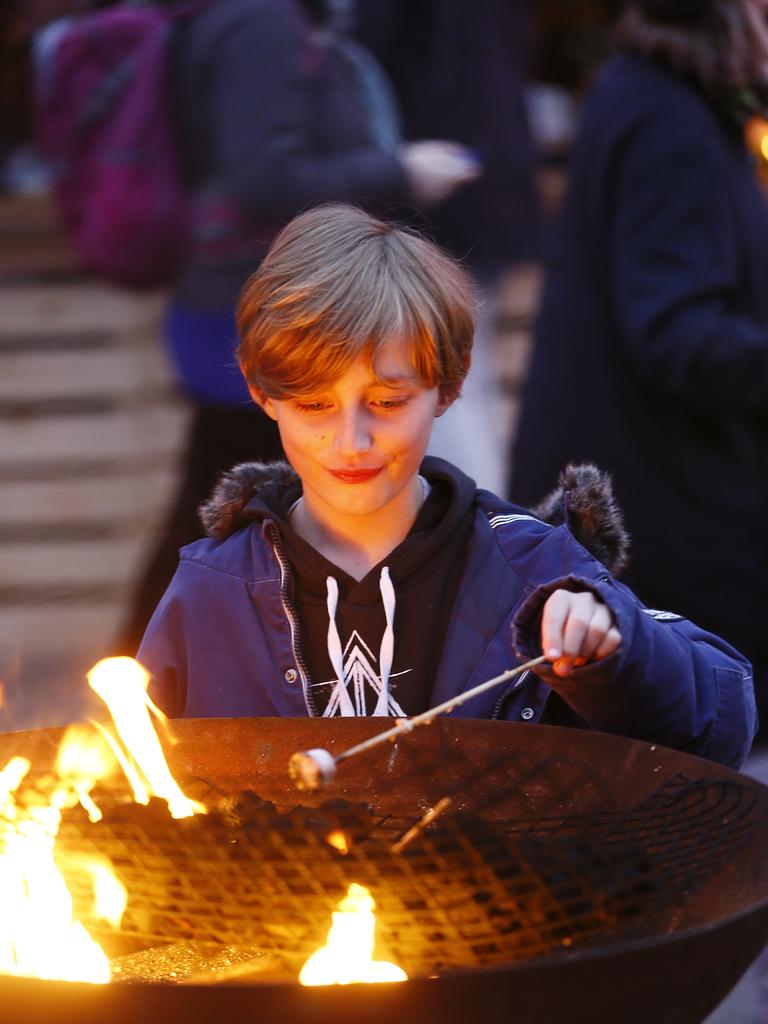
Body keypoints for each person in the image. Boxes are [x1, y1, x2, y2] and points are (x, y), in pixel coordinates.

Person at [137, 203, 756, 769]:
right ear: (261, 392)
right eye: (315, 404)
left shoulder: (534, 567)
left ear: (449, 385)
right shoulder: (211, 590)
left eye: (387, 400)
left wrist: (614, 651)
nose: (352, 440)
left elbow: (722, 720)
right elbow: (146, 785)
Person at [115, 0, 478, 654]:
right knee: (220, 518)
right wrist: (401, 172)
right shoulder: (260, 22)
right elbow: (264, 177)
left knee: (222, 510)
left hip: (283, 304)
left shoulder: (280, 21)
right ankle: (138, 691)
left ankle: (139, 684)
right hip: (278, 313)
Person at [509, 0, 768, 741]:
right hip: (658, 513)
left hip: (656, 499)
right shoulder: (668, 119)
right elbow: (677, 336)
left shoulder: (658, 97)